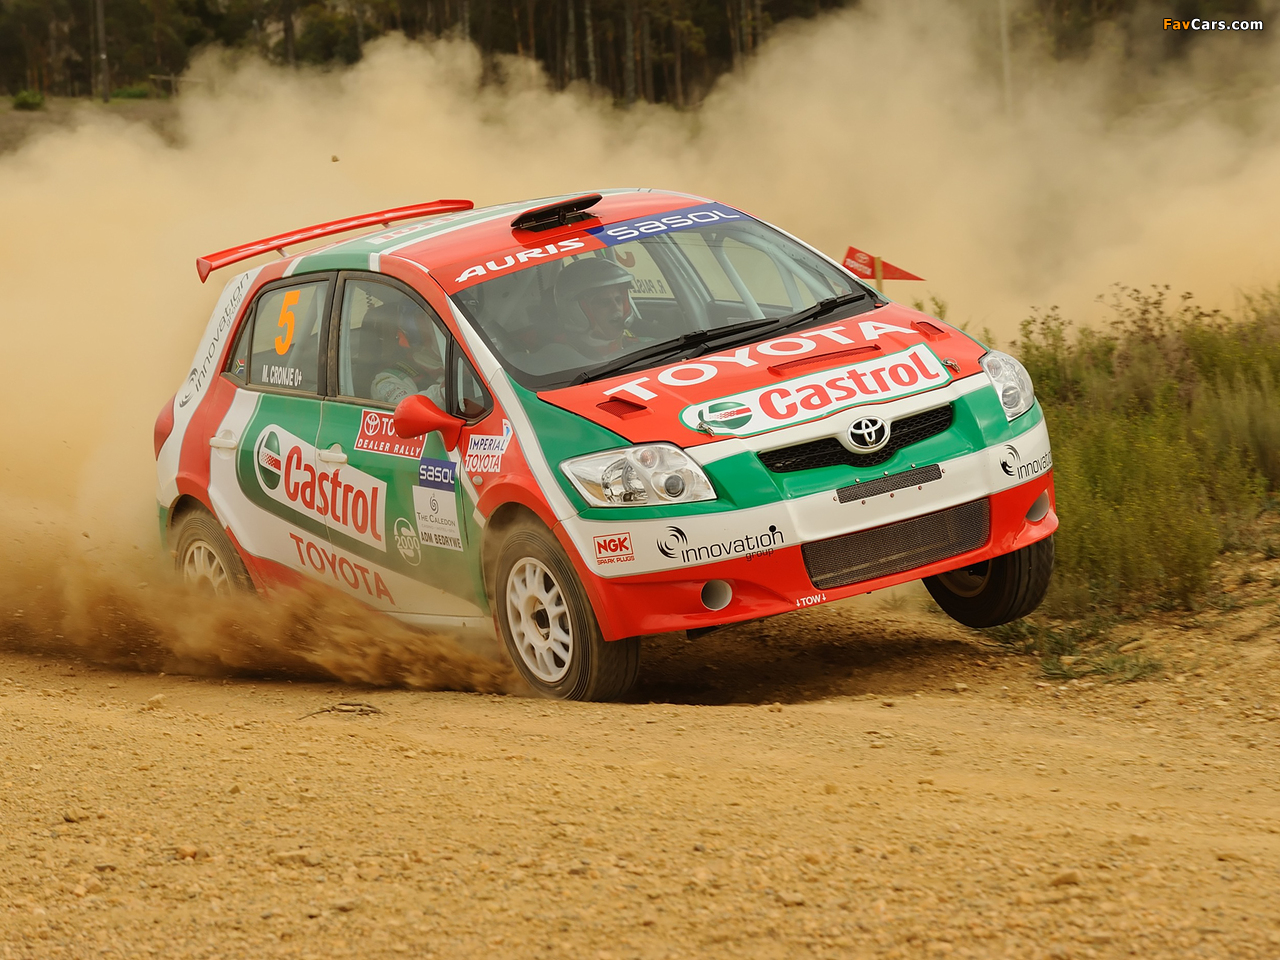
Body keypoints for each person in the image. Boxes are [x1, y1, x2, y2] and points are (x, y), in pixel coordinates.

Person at [553, 257, 642, 359]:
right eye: (604, 302)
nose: (616, 308)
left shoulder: (638, 343)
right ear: (576, 311)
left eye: (618, 300)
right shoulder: (563, 358)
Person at [365, 305, 448, 407]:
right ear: (414, 330)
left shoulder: (459, 361)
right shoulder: (387, 379)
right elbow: (407, 409)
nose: (445, 330)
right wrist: (443, 392)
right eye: (439, 325)